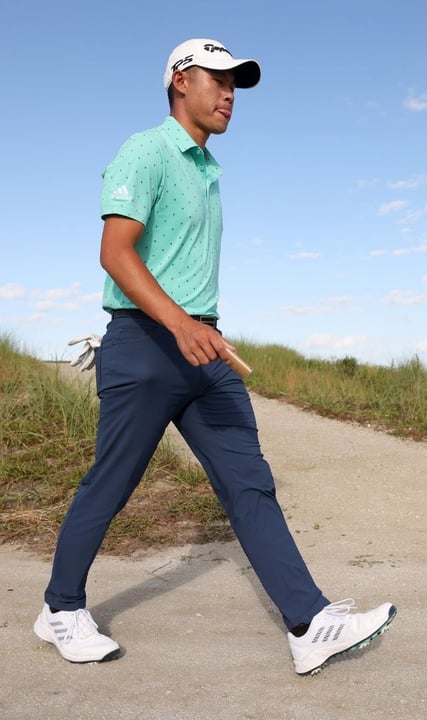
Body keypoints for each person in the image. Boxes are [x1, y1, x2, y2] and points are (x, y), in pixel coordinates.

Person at [33, 39, 395, 676]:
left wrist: (204, 330)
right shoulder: (146, 150)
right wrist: (177, 324)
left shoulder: (208, 168)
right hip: (147, 343)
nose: (230, 94)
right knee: (111, 483)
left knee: (249, 482)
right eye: (218, 80)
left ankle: (308, 625)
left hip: (205, 347)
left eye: (237, 84)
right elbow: (116, 253)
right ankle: (61, 608)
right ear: (180, 81)